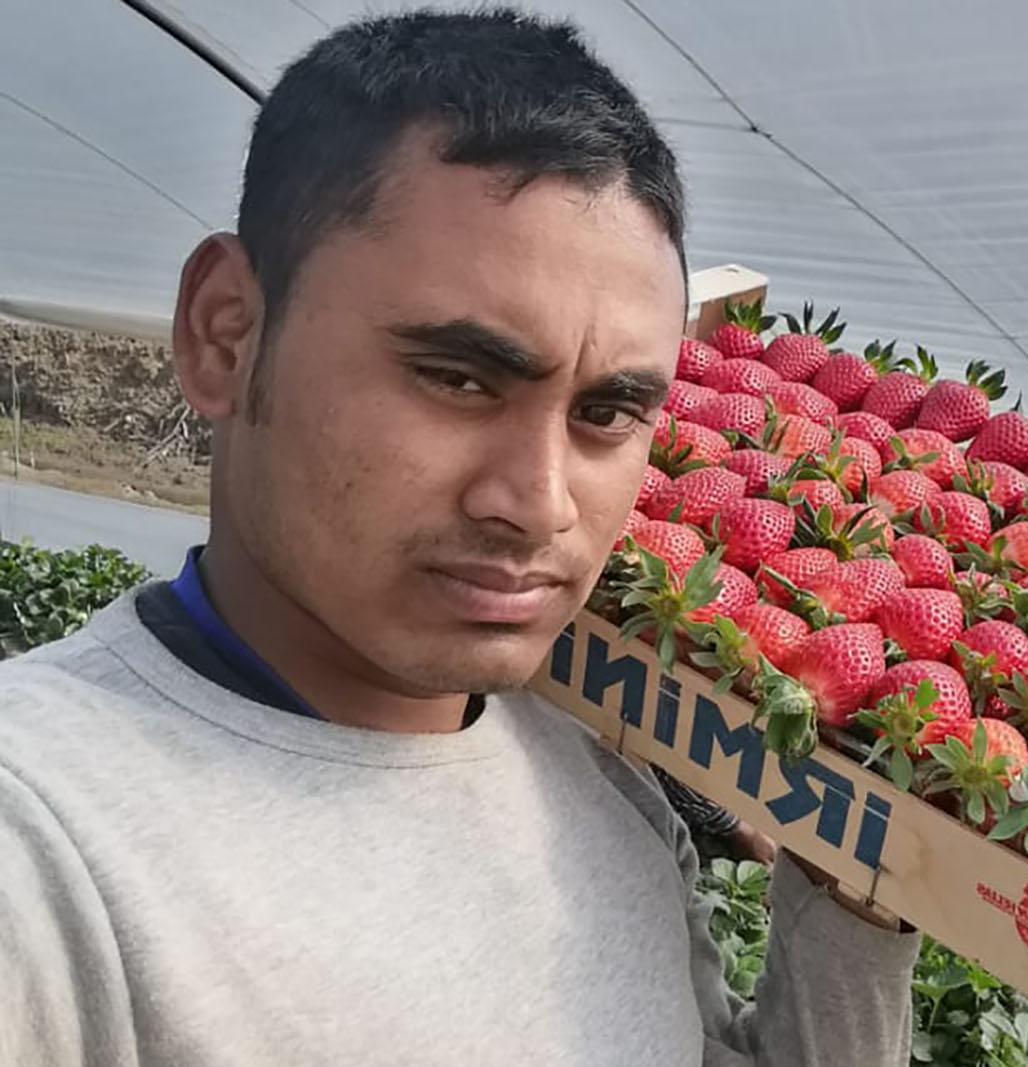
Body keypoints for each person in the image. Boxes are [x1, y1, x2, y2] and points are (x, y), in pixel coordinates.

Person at [0, 9, 917, 1065]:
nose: (537, 502)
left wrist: (855, 910)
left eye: (607, 414)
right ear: (227, 335)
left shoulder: (596, 781)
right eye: (458, 378)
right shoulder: (43, 850)